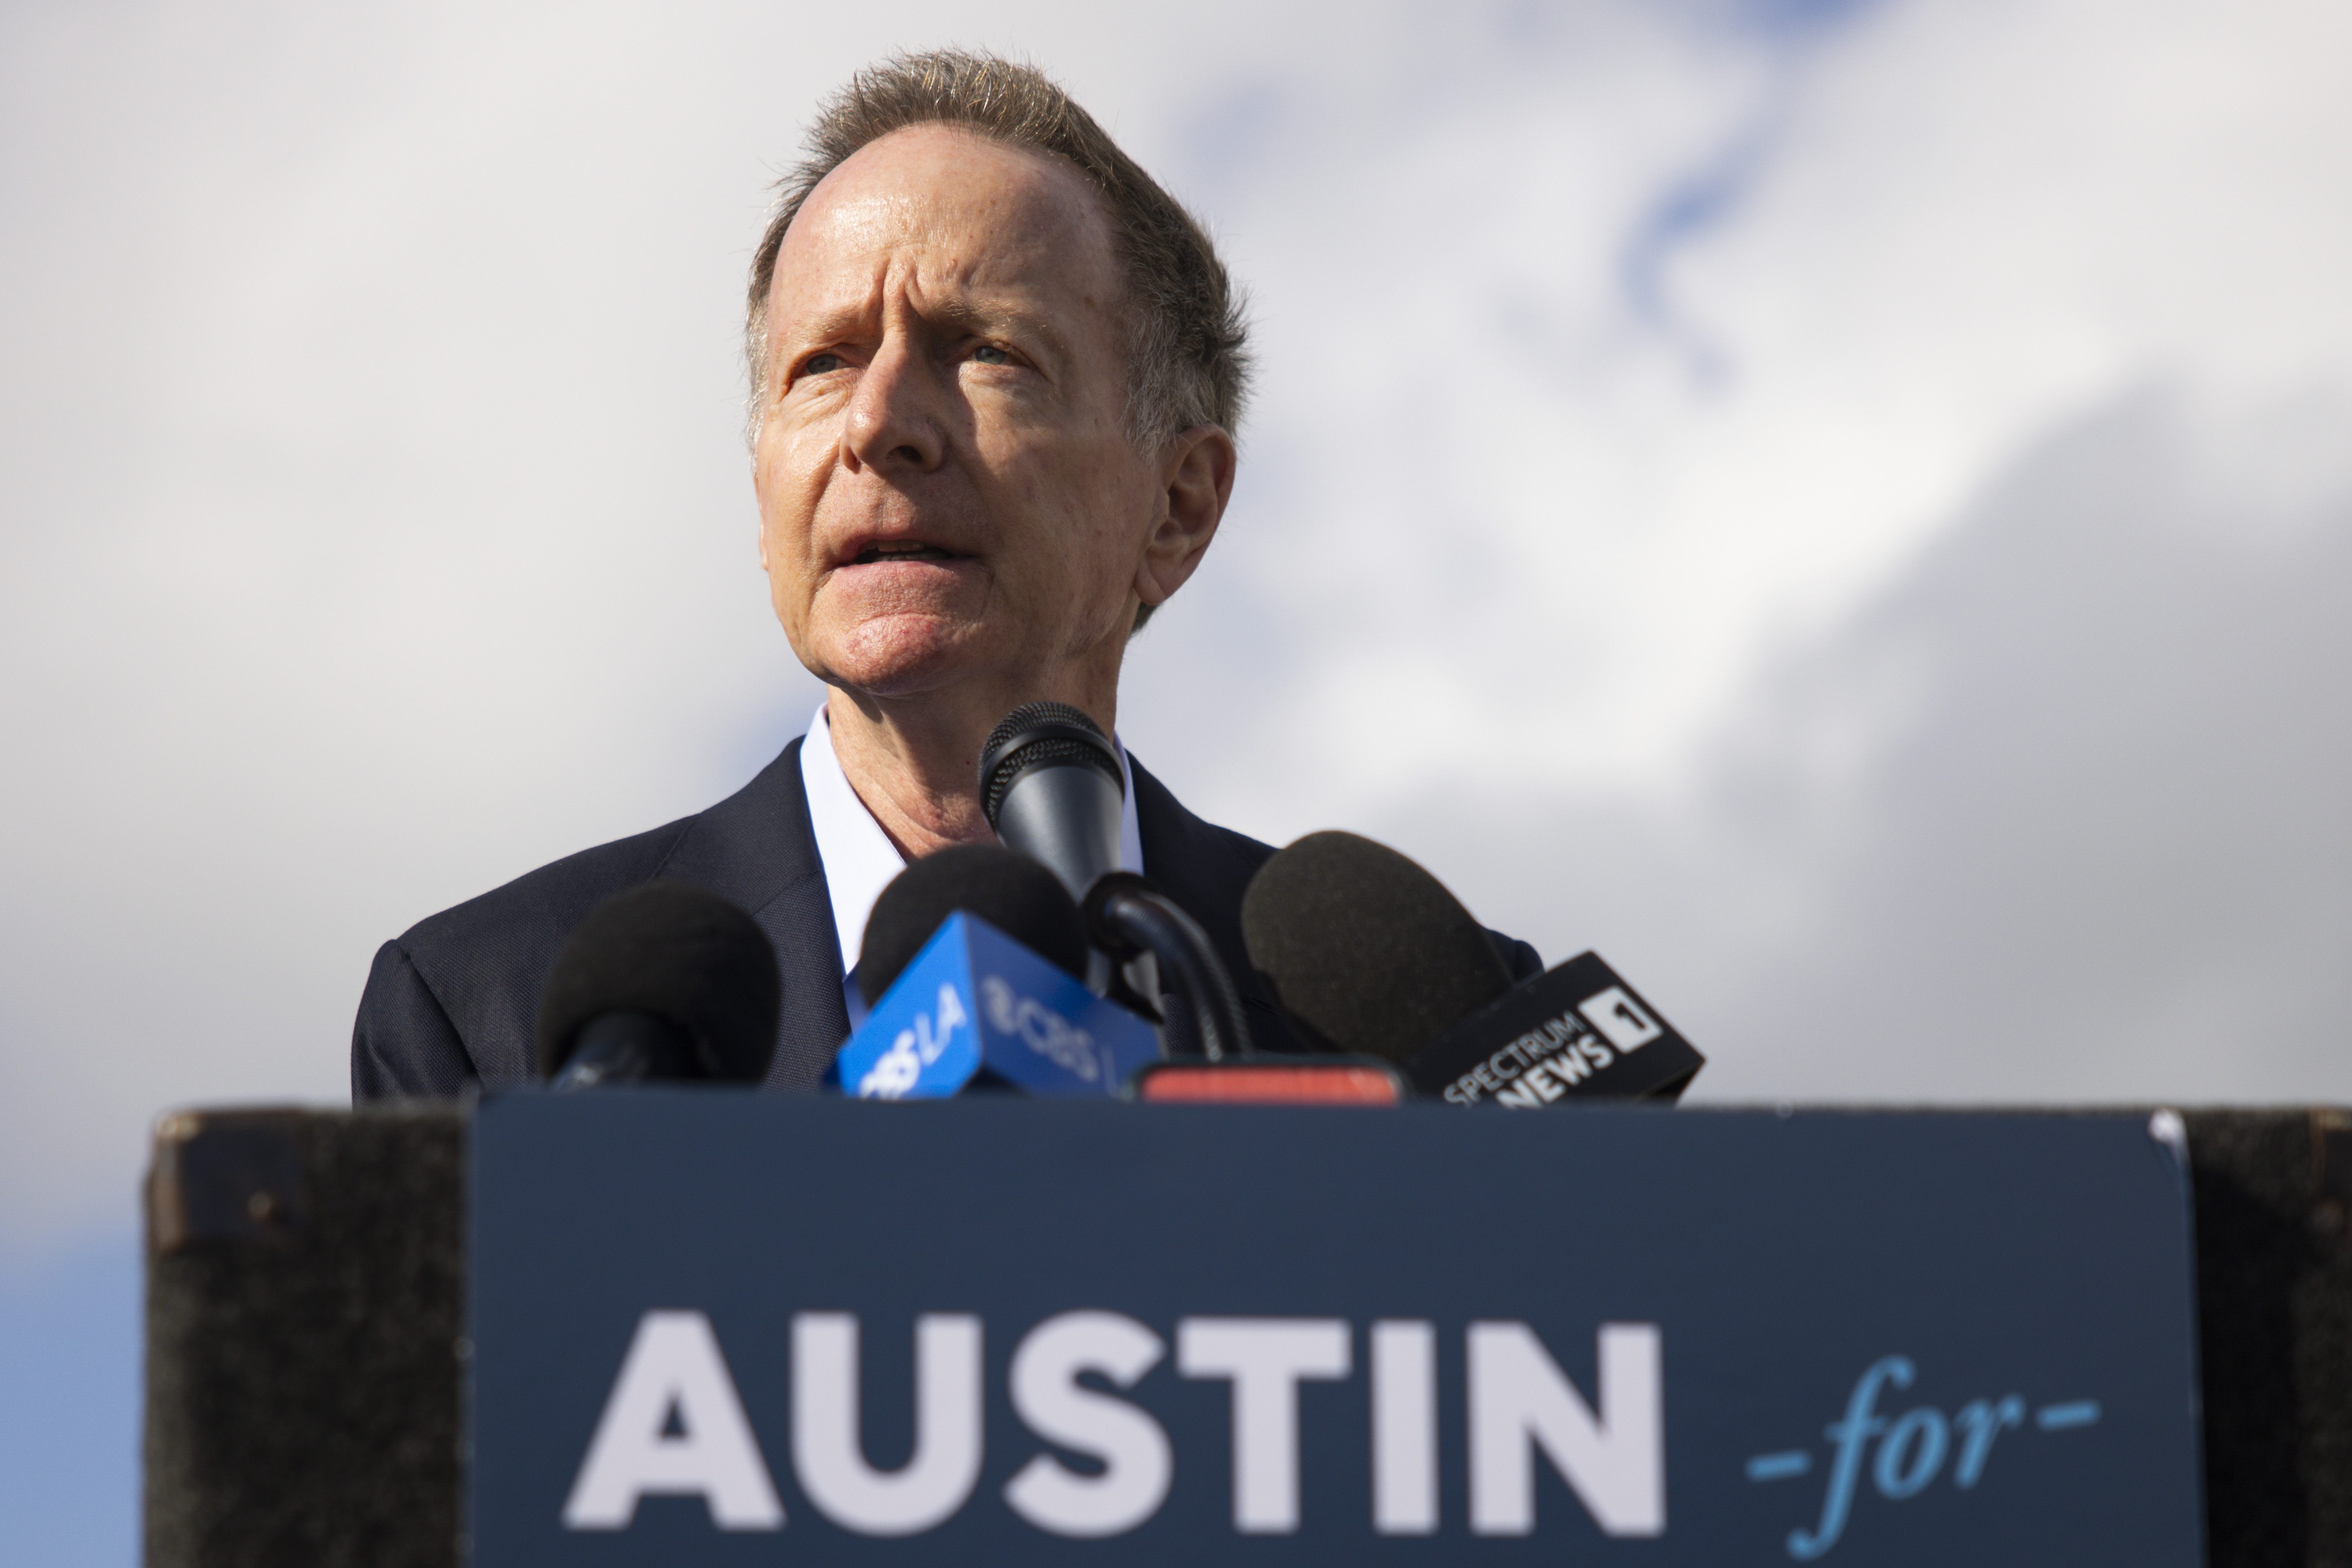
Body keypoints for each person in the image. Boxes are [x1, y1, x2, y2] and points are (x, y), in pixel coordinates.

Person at [350, 51, 1528, 1097]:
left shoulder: (1431, 1041)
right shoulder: (497, 1019)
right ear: (763, 492)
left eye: (987, 353)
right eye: (821, 364)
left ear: (1176, 508)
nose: (877, 425)